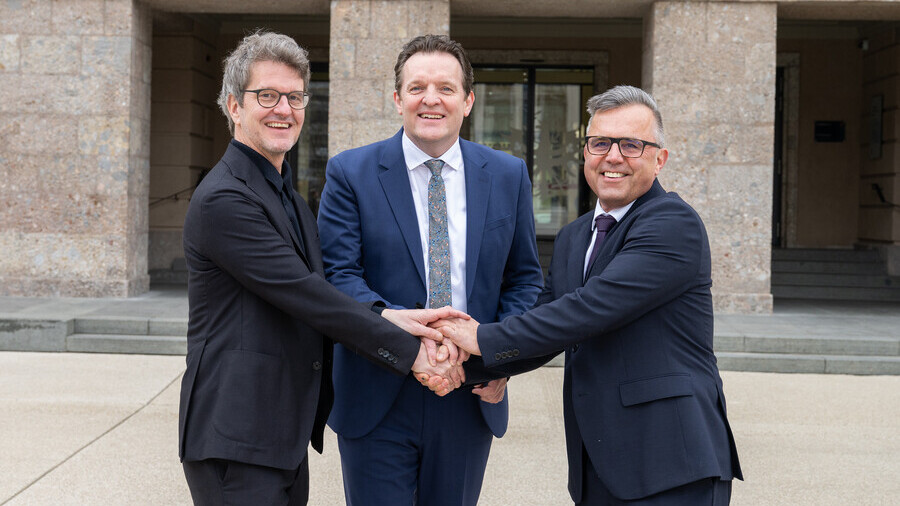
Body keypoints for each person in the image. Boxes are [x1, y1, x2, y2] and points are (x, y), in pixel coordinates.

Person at [178, 31, 463, 506]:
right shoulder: (225, 198)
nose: (283, 109)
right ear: (233, 105)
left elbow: (317, 288)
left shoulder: (282, 191)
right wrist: (410, 352)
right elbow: (305, 297)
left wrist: (390, 316)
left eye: (294, 97)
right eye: (266, 96)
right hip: (236, 435)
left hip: (277, 433)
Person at [434, 85, 743, 505]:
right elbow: (551, 315)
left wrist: (481, 339)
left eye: (631, 144)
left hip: (671, 463)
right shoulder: (575, 236)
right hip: (598, 463)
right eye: (600, 143)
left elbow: (591, 308)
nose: (612, 156)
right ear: (585, 152)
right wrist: (478, 369)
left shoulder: (673, 223)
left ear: (660, 158)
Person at [316, 34, 543, 506]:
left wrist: (498, 357)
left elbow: (524, 279)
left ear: (468, 100)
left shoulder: (507, 174)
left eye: (446, 87)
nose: (431, 99)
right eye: (417, 87)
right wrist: (411, 347)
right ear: (398, 99)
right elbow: (339, 277)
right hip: (377, 390)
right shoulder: (349, 173)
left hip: (470, 389)